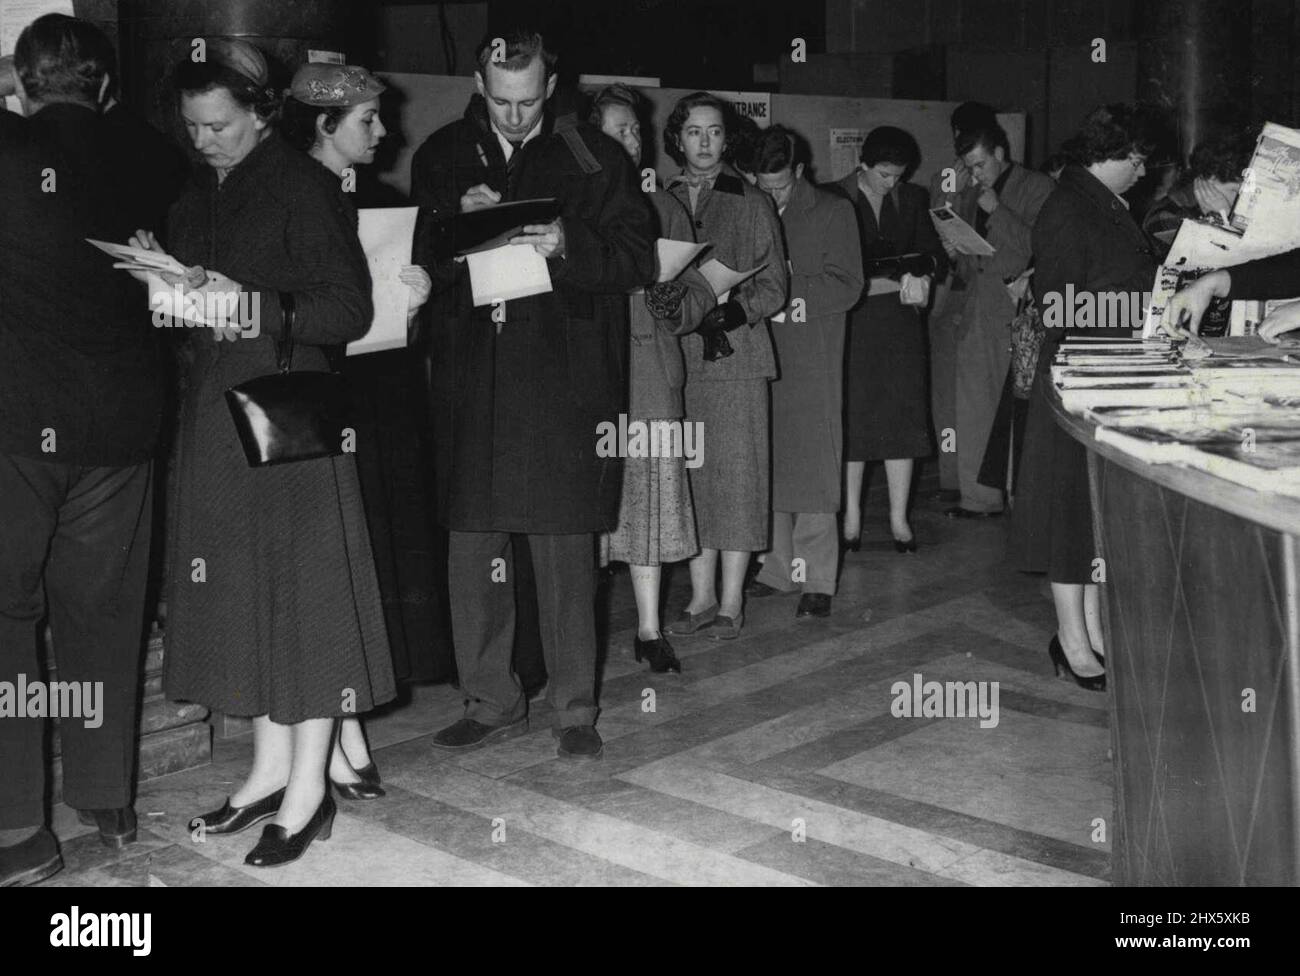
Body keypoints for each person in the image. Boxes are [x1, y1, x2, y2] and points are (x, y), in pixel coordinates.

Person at [136, 39, 397, 866]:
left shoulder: (304, 187)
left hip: (286, 420)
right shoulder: (196, 191)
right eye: (192, 126)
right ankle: (266, 775)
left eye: (219, 125)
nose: (204, 139)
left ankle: (312, 793)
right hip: (214, 419)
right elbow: (194, 307)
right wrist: (165, 286)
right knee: (246, 602)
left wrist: (249, 304)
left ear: (260, 113)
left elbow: (348, 309)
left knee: (305, 606)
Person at [410, 30, 654, 761]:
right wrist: (456, 230)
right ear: (480, 86)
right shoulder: (440, 155)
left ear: (551, 88)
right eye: (499, 101)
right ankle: (489, 700)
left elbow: (637, 259)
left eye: (527, 102)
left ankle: (573, 708)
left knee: (562, 546)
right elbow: (416, 265)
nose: (514, 118)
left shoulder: (596, 158)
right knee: (473, 543)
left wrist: (567, 242)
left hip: (562, 379)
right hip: (473, 373)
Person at [0, 14, 168, 886]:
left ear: (20, 86)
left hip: (16, 428)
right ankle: (106, 800)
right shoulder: (147, 155)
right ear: (105, 88)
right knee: (102, 618)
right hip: (124, 431)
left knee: (6, 620)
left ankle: (19, 832)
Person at [282, 62, 434, 800]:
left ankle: (349, 726)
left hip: (372, 403)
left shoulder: (384, 204)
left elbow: (396, 311)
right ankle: (334, 737)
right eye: (369, 121)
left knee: (369, 554)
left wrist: (419, 295)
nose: (385, 132)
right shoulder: (286, 196)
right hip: (307, 400)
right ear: (323, 123)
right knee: (325, 566)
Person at [1012, 104, 1160, 692]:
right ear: (1109, 155)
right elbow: (1057, 306)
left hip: (1107, 372)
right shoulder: (1069, 205)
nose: (1143, 171)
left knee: (1094, 513)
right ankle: (1071, 639)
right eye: (1137, 160)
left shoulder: (1103, 202)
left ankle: (1094, 632)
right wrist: (1138, 307)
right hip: (1078, 377)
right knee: (1070, 514)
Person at [591, 85, 713, 673]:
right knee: (588, 502)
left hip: (650, 377)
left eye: (636, 129)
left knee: (650, 502)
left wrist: (671, 301)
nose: (631, 140)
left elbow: (696, 297)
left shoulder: (663, 206)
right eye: (618, 129)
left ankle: (648, 627)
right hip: (589, 375)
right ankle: (577, 633)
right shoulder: (570, 204)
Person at [658, 92, 788, 642]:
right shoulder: (660, 200)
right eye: (693, 132)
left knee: (737, 479)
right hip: (678, 360)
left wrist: (729, 310)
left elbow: (776, 287)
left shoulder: (752, 200)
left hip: (735, 355)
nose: (704, 143)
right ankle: (701, 594)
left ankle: (732, 598)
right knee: (693, 479)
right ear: (678, 139)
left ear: (727, 139)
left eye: (714, 132)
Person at [749, 126, 863, 614]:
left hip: (812, 353)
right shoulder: (747, 207)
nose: (771, 195)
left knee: (815, 466)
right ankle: (778, 568)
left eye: (780, 185)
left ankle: (817, 578)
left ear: (799, 172)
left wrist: (784, 294)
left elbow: (847, 284)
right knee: (769, 459)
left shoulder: (835, 211)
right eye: (763, 185)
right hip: (761, 351)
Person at [835, 126, 945, 551]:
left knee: (903, 419)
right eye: (883, 175)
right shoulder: (836, 196)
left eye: (898, 175)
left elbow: (932, 252)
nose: (891, 183)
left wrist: (924, 271)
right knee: (856, 420)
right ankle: (851, 520)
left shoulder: (914, 199)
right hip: (855, 322)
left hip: (900, 322)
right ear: (861, 165)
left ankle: (900, 519)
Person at [945, 121, 1054, 519]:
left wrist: (999, 211)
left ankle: (1020, 498)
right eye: (969, 167)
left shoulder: (1037, 187)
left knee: (1019, 409)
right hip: (978, 308)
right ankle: (977, 498)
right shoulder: (971, 192)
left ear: (1000, 153)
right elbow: (970, 259)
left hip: (1018, 310)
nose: (974, 175)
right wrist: (954, 245)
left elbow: (1043, 245)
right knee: (974, 404)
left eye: (979, 165)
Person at [928, 102, 999, 500]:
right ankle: (952, 477)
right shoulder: (948, 177)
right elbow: (937, 218)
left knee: (975, 399)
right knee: (947, 398)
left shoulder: (998, 179)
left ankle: (976, 485)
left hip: (980, 296)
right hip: (951, 295)